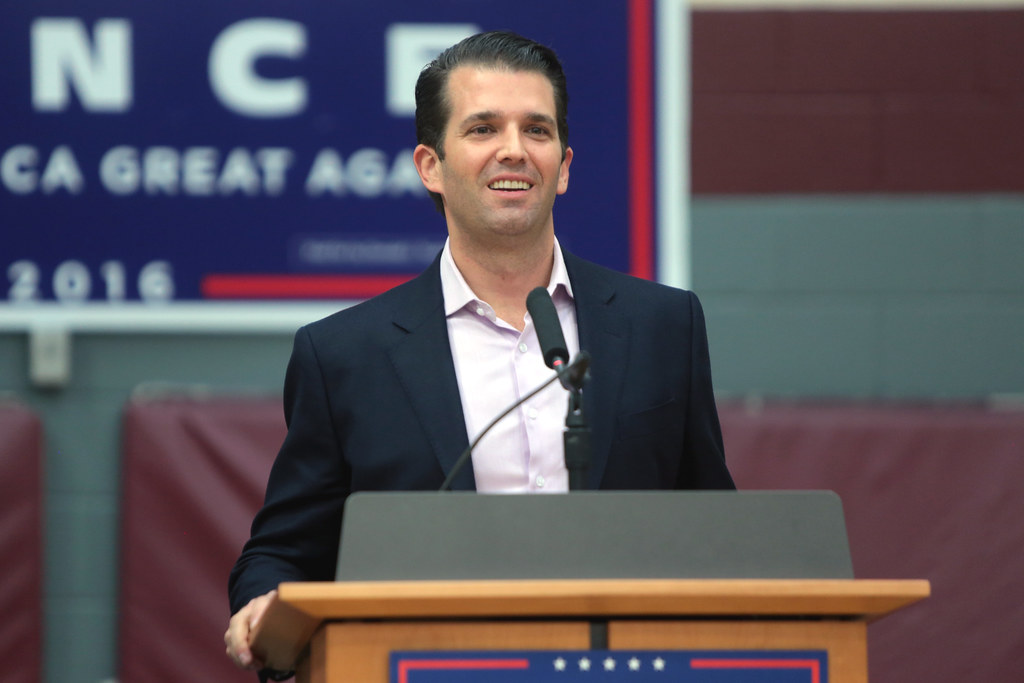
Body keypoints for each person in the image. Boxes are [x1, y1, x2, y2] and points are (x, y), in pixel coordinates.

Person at [224, 30, 734, 675]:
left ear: (564, 166)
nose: (513, 150)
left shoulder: (662, 325)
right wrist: (263, 604)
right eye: (483, 129)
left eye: (536, 130)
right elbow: (283, 551)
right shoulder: (344, 354)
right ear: (430, 167)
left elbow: (717, 530)